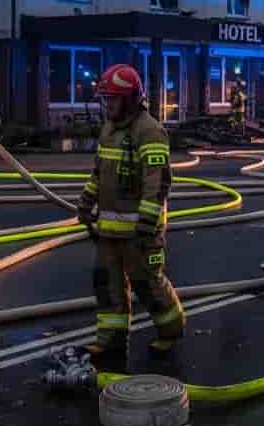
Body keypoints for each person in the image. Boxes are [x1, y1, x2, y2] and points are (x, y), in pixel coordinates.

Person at [78, 64, 184, 358]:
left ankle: (170, 331)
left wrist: (147, 223)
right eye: (105, 99)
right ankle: (110, 340)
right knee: (106, 285)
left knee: (147, 284)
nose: (108, 105)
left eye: (113, 99)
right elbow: (99, 173)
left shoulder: (149, 131)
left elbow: (158, 182)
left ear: (130, 100)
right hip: (109, 229)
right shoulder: (109, 129)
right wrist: (86, 203)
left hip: (141, 231)